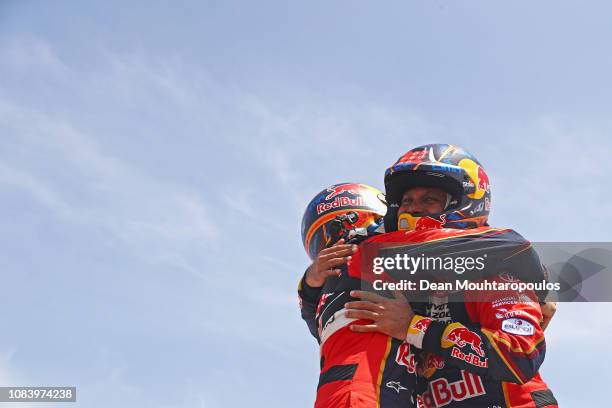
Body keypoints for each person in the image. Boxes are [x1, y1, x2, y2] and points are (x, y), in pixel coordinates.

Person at [342, 144, 558, 407]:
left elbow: (521, 354)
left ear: (465, 202)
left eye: (429, 200)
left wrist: (414, 327)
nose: (413, 210)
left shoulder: (493, 273)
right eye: (407, 201)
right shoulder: (403, 286)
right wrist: (311, 286)